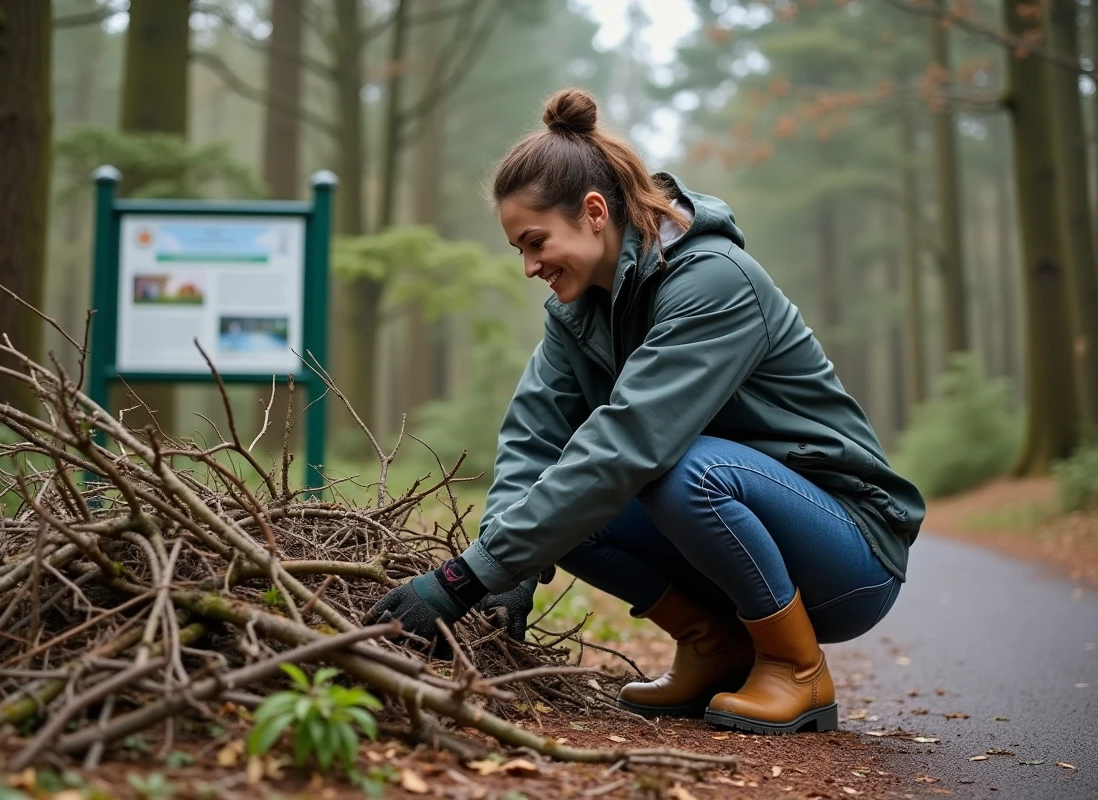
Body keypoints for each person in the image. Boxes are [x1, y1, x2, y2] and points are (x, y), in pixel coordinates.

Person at [364, 88, 924, 736]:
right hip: (745, 530)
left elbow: (629, 441)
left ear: (594, 212)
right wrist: (503, 569)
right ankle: (715, 645)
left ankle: (796, 668)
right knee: (569, 503)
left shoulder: (713, 280)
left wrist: (459, 581)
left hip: (852, 551)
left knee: (679, 469)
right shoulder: (576, 316)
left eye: (536, 241)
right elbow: (533, 438)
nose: (528, 266)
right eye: (518, 248)